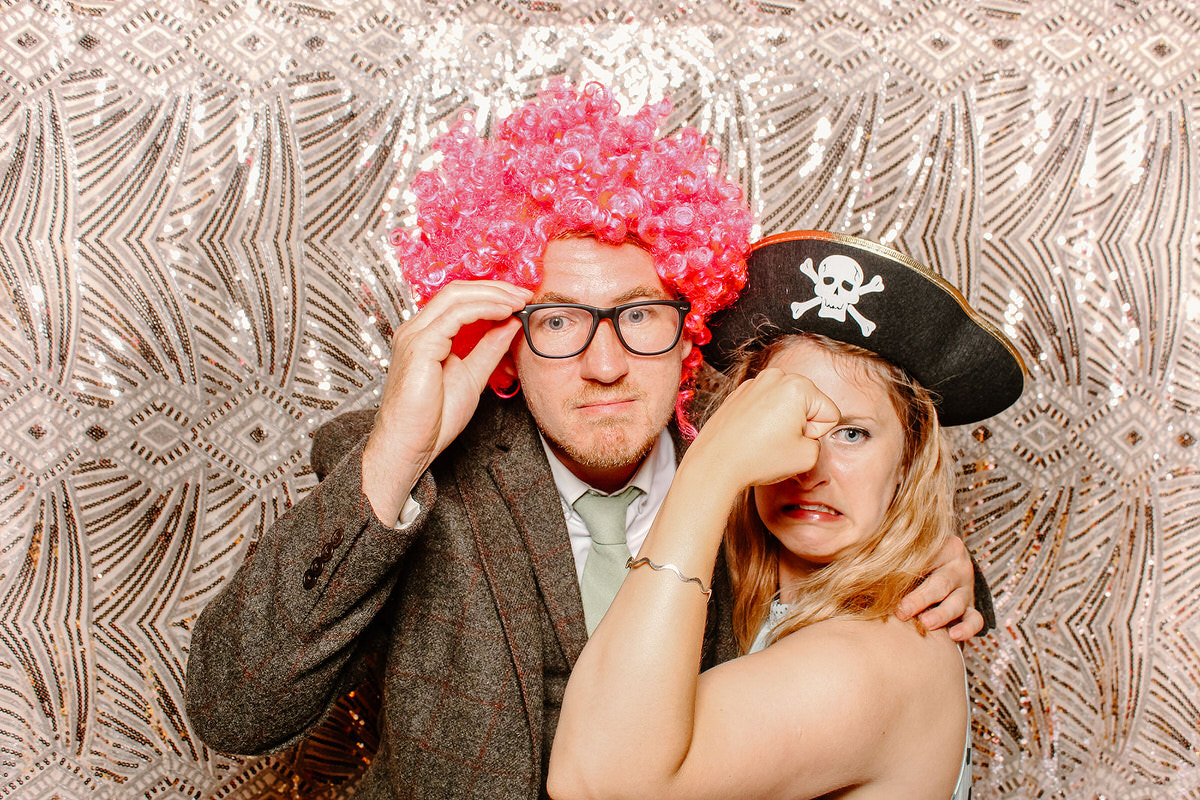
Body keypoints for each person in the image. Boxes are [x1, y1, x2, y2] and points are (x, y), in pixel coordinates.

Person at [184, 84, 986, 800]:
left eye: (639, 316)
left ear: (691, 326)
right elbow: (231, 709)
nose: (605, 365)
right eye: (559, 321)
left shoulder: (758, 476)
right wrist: (398, 457)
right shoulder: (416, 474)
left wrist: (940, 565)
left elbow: (853, 567)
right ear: (503, 334)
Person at [548, 229, 1026, 800]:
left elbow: (597, 784)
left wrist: (711, 469)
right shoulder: (758, 592)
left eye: (853, 433)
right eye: (793, 426)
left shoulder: (873, 662)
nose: (812, 467)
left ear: (909, 457)